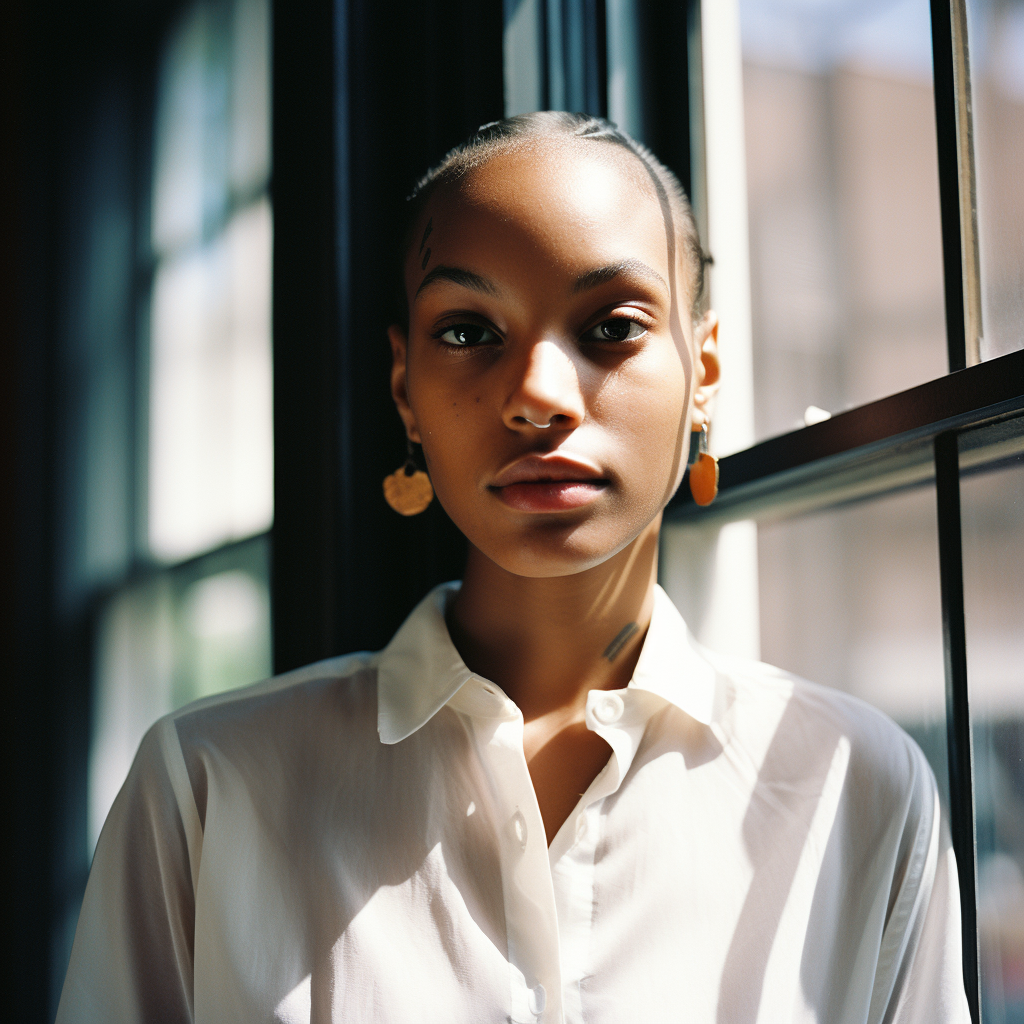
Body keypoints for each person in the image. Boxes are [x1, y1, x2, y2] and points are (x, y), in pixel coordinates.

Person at [57, 113, 970, 1023]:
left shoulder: (856, 785)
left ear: (706, 372)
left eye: (612, 325)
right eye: (466, 332)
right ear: (404, 387)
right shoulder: (209, 788)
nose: (538, 395)